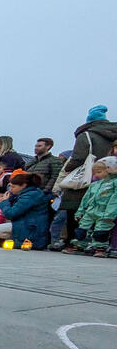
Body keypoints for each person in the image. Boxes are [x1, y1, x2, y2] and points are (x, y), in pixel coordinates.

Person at [56, 105, 117, 247]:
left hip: (86, 177)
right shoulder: (112, 137)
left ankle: (73, 241)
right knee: (104, 213)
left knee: (75, 209)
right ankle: (99, 244)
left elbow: (78, 157)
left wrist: (69, 168)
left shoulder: (86, 135)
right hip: (109, 178)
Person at [63, 156, 117, 257]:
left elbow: (115, 199)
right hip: (90, 210)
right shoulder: (95, 184)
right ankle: (78, 245)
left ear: (109, 169)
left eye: (99, 172)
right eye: (95, 172)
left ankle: (100, 248)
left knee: (101, 230)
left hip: (105, 211)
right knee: (82, 228)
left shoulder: (114, 183)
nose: (96, 175)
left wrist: (110, 213)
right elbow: (85, 199)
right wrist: (80, 211)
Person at [0, 172, 50, 249]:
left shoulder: (30, 195)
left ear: (24, 185)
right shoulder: (28, 193)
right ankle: (14, 241)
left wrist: (4, 202)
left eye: (13, 187)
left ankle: (19, 242)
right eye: (10, 187)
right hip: (27, 223)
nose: (11, 189)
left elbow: (11, 214)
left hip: (31, 227)